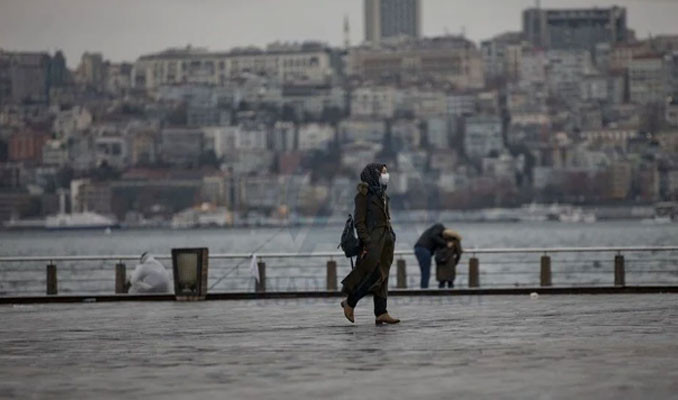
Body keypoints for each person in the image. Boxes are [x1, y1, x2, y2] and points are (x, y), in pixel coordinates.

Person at [340, 163, 400, 325]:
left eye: (386, 172)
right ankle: (350, 302)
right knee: (371, 276)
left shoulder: (382, 195)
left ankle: (381, 312)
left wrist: (391, 235)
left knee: (383, 276)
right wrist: (367, 242)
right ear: (373, 175)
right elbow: (359, 222)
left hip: (386, 241)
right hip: (373, 242)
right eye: (383, 173)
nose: (385, 176)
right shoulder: (363, 196)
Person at [414, 223, 449, 288]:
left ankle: (423, 288)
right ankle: (424, 289)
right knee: (426, 272)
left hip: (419, 248)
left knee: (424, 271)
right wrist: (445, 243)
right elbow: (434, 236)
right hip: (424, 249)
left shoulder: (433, 230)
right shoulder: (439, 227)